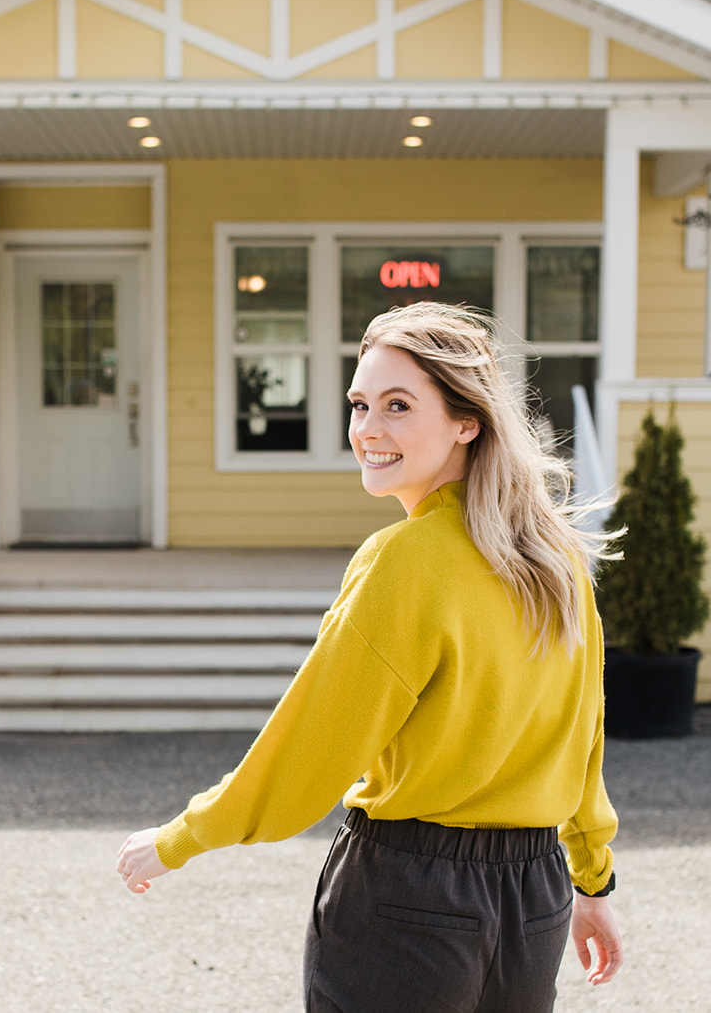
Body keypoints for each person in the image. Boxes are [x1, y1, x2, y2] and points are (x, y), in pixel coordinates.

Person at [117, 302, 623, 1011]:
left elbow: (309, 748)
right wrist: (591, 880)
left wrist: (182, 837)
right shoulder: (557, 561)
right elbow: (582, 746)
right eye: (359, 404)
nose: (367, 430)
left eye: (397, 405)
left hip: (408, 897)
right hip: (535, 900)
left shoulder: (405, 561)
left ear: (466, 421)